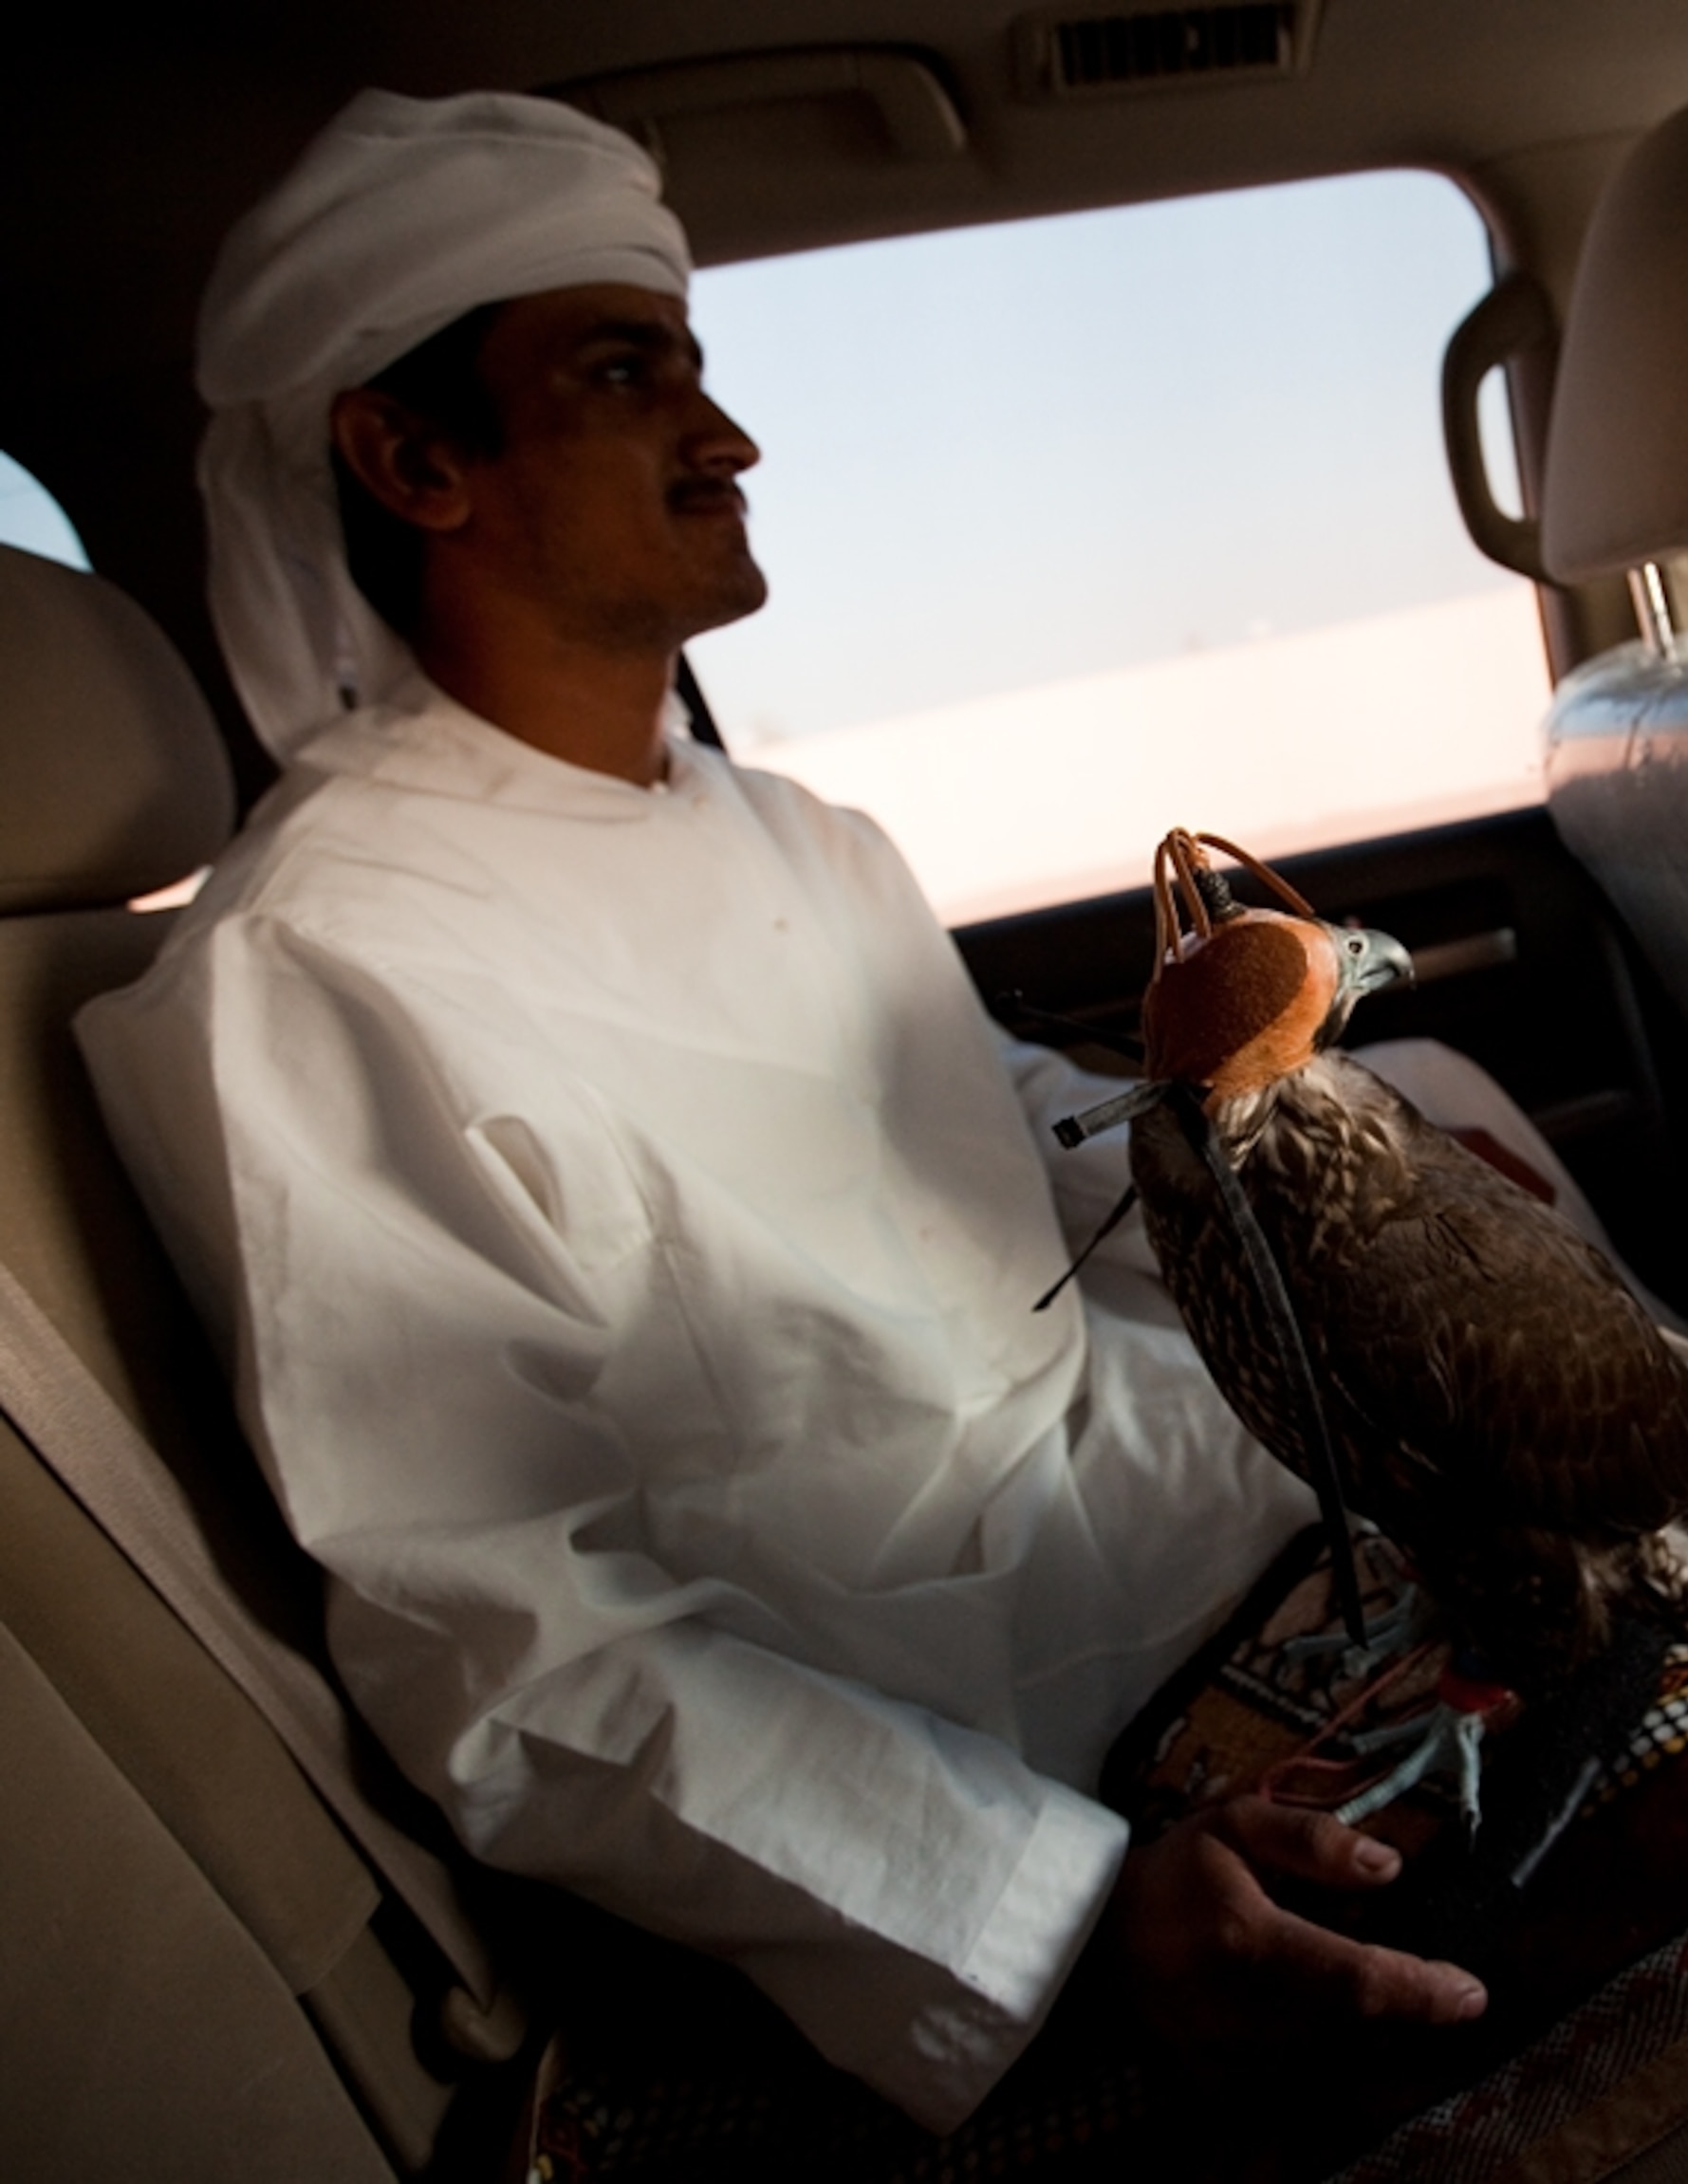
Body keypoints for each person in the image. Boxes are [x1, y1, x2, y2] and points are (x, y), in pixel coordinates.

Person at [75, 88, 1511, 2134]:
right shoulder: (315, 965)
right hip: (983, 1743)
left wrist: (1328, 1156)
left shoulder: (799, 832)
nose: (727, 435)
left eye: (701, 368)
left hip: (1209, 1527)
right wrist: (1059, 1911)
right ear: (413, 460)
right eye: (620, 369)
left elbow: (1001, 1125)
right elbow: (511, 1635)